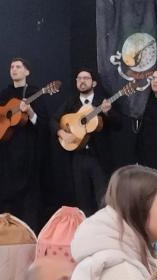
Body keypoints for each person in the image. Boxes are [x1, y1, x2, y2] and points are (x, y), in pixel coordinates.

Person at [0, 58, 48, 230]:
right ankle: (8, 233)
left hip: (28, 154)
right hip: (7, 154)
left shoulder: (35, 92)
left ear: (27, 72)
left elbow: (43, 124)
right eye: (12, 67)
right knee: (7, 195)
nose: (14, 70)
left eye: (18, 67)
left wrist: (31, 111)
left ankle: (28, 235)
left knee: (29, 198)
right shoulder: (5, 93)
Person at [54, 68, 119, 214]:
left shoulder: (102, 102)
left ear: (94, 83)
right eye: (79, 78)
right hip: (78, 157)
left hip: (99, 158)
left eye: (86, 78)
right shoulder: (71, 102)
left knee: (103, 200)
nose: (82, 81)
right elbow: (54, 120)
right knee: (83, 201)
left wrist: (108, 112)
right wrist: (61, 134)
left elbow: (118, 125)